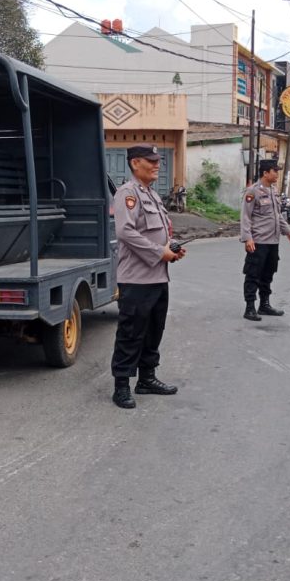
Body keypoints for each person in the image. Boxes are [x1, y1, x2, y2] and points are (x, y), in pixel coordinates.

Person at [109, 144, 186, 409]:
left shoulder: (153, 195)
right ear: (134, 163)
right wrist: (158, 252)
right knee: (131, 333)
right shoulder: (127, 194)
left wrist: (172, 248)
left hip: (158, 278)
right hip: (136, 280)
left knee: (154, 331)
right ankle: (121, 386)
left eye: (157, 161)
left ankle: (147, 378)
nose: (157, 165)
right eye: (150, 161)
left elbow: (160, 232)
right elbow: (126, 232)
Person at [240, 158, 290, 322]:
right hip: (258, 241)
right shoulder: (253, 192)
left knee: (268, 274)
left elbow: (277, 215)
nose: (277, 174)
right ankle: (249, 307)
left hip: (273, 241)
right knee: (253, 274)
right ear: (265, 173)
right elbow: (245, 217)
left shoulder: (273, 191)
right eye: (275, 171)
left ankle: (264, 304)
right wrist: (247, 238)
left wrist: (288, 232)